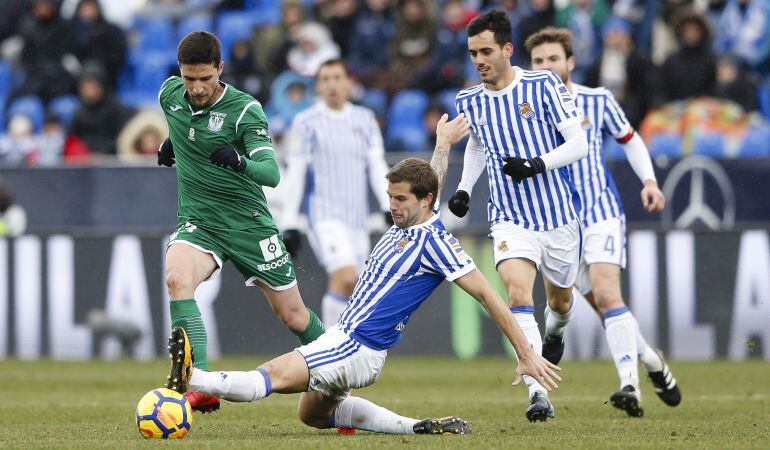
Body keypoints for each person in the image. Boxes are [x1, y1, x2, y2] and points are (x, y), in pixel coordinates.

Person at [165, 112, 562, 434]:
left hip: (356, 345)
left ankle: (192, 378)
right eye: (390, 197)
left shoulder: (436, 243)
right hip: (352, 344)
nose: (392, 206)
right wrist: (442, 145)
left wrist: (527, 354)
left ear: (423, 202)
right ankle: (417, 428)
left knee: (268, 376)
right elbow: (433, 181)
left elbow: (488, 295)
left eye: (400, 199)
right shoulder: (414, 217)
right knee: (312, 415)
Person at [156, 31, 326, 413]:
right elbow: (184, 126)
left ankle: (339, 378)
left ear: (221, 68)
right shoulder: (169, 95)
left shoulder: (245, 109)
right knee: (176, 279)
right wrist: (172, 145)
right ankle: (199, 382)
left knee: (294, 316)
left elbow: (271, 173)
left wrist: (238, 162)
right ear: (179, 73)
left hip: (249, 225)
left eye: (205, 78)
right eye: (189, 78)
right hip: (200, 220)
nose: (197, 88)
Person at [525, 27, 682, 416]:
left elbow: (629, 138)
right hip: (558, 221)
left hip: (600, 212)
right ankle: (651, 361)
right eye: (539, 61)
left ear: (570, 62)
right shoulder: (523, 107)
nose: (546, 66)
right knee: (592, 307)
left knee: (609, 295)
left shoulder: (597, 100)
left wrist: (649, 180)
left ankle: (629, 386)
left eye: (553, 59)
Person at [445, 10, 588, 422]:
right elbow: (476, 144)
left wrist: (536, 164)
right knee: (517, 294)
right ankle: (537, 391)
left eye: (486, 51)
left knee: (560, 301)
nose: (478, 60)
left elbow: (578, 143)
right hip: (510, 216)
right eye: (472, 53)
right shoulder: (468, 99)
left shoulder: (543, 84)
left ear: (507, 49)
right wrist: (463, 189)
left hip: (559, 215)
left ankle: (555, 331)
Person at [280, 59, 392, 329]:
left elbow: (377, 166)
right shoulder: (306, 122)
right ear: (318, 86)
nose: (332, 84)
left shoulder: (365, 120)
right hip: (325, 216)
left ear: (349, 82)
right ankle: (328, 351)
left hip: (358, 219)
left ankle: (347, 355)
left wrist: (390, 204)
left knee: (356, 289)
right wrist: (289, 222)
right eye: (326, 78)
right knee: (346, 277)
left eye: (337, 77)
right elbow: (296, 172)